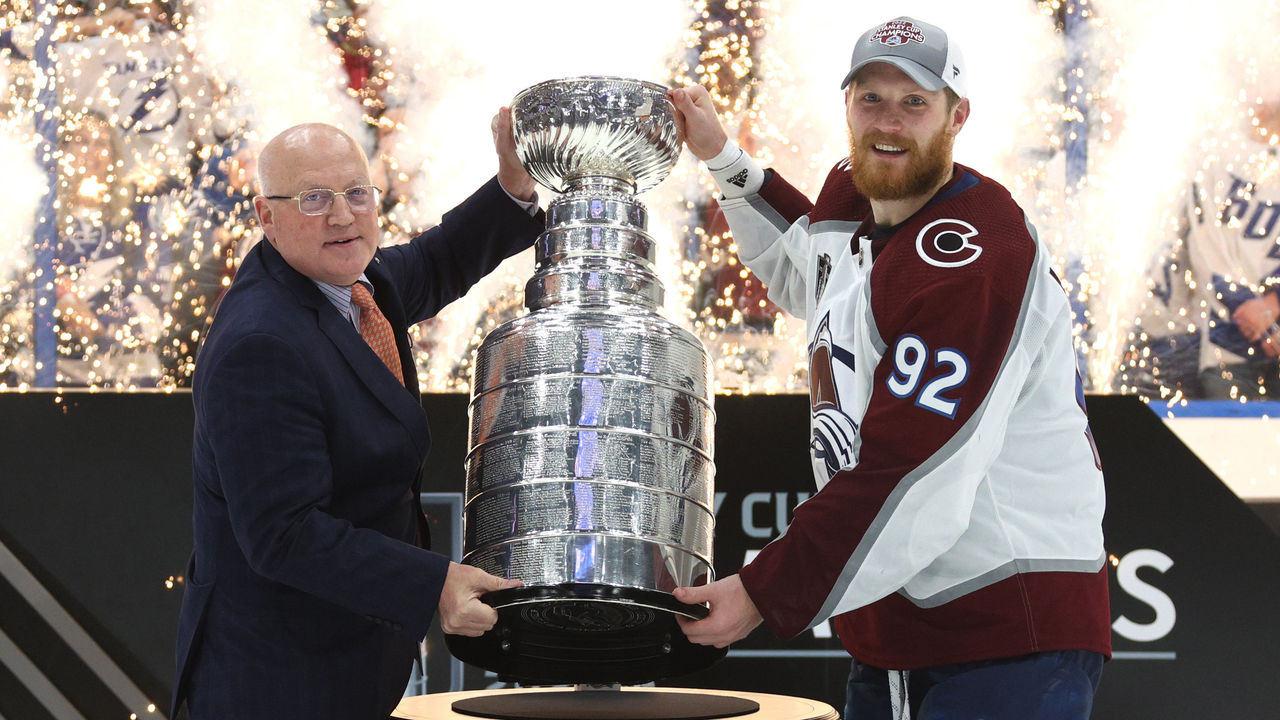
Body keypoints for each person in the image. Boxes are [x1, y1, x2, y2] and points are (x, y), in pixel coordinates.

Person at [668, 16, 1111, 720]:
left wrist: (760, 592)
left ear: (956, 116)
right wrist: (723, 156)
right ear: (846, 105)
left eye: (915, 103)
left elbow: (912, 466)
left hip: (1009, 626)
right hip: (902, 619)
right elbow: (810, 270)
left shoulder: (976, 253)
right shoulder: (853, 191)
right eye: (871, 98)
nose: (890, 121)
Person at [171, 112, 541, 720]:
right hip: (276, 684)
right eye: (313, 199)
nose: (341, 215)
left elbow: (435, 259)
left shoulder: (352, 281)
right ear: (266, 216)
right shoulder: (259, 344)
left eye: (356, 193)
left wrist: (512, 188)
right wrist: (434, 583)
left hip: (343, 668)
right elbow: (284, 535)